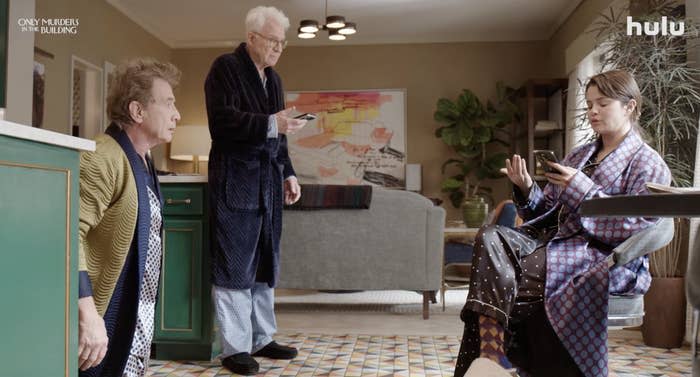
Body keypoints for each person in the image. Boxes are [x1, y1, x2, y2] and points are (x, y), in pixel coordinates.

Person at [453, 70, 672, 377]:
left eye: (603, 104)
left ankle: (501, 362)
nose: (593, 111)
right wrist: (527, 187)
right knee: (491, 236)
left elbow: (635, 226)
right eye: (589, 104)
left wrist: (582, 189)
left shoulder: (647, 163)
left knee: (505, 277)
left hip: (599, 255)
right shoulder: (580, 154)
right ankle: (492, 356)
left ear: (630, 106)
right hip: (552, 242)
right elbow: (546, 212)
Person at [203, 6, 307, 376]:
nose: (279, 48)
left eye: (283, 42)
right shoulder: (225, 69)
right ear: (252, 38)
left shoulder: (273, 79)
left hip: (268, 184)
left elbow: (279, 135)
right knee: (234, 264)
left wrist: (289, 174)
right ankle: (235, 348)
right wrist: (270, 123)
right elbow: (222, 121)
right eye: (274, 41)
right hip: (236, 181)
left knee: (265, 262)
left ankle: (263, 338)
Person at [77, 58, 181, 377]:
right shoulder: (102, 156)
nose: (177, 114)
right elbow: (63, 235)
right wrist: (88, 315)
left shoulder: (143, 159)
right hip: (101, 322)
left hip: (135, 320)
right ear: (137, 111)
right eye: (168, 104)